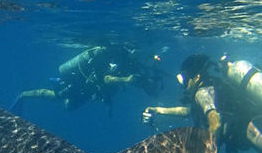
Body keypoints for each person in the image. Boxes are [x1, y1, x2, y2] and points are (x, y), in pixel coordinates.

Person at [12, 44, 163, 113]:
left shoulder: (129, 63)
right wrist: (125, 80)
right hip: (80, 81)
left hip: (90, 88)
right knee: (55, 96)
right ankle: (23, 94)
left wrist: (149, 87)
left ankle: (58, 84)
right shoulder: (115, 57)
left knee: (68, 107)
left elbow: (135, 79)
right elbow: (106, 78)